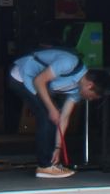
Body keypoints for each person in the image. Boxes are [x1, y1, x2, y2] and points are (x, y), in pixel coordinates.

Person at [9, 46, 103, 178]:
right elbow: (39, 81)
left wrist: (58, 148)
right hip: (22, 75)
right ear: (90, 85)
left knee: (52, 117)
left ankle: (51, 162)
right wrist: (52, 109)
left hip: (35, 83)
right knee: (47, 116)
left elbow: (64, 118)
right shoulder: (69, 63)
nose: (90, 99)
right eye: (92, 96)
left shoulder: (77, 91)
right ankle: (45, 166)